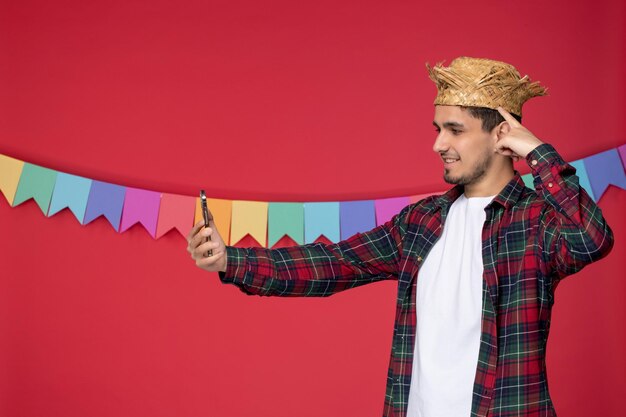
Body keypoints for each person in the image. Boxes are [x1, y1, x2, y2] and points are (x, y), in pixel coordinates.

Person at [186, 57, 614, 417]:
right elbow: (337, 262)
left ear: (501, 134)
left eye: (455, 129)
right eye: (437, 128)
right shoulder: (421, 222)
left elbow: (591, 239)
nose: (438, 144)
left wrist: (538, 151)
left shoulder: (537, 222)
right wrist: (230, 260)